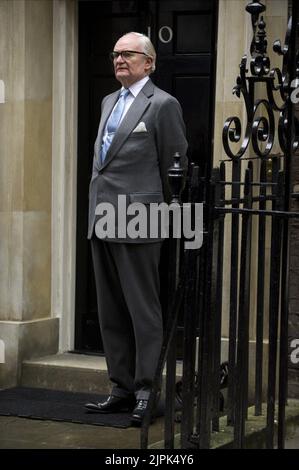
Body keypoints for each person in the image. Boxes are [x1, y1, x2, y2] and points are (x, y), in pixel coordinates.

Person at [84, 32, 188, 425]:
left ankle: (148, 391)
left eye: (128, 53)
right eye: (115, 54)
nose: (119, 59)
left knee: (144, 311)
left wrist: (164, 219)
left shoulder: (163, 104)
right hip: (102, 219)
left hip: (140, 221)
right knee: (111, 311)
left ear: (149, 62)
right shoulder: (108, 101)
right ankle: (121, 389)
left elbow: (173, 170)